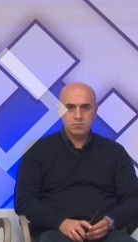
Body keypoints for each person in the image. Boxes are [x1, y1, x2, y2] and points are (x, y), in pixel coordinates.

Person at [15, 82, 138, 242]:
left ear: (95, 111)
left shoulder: (115, 152)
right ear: (60, 110)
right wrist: (60, 223)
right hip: (56, 233)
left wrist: (110, 221)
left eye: (85, 107)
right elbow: (24, 201)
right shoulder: (37, 151)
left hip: (106, 234)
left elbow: (134, 199)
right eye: (70, 107)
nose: (78, 116)